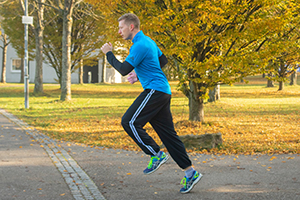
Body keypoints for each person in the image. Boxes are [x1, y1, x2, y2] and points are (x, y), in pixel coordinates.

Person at [101, 13, 202, 194]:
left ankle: (156, 154)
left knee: (129, 121)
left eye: (121, 27)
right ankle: (190, 172)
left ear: (131, 27)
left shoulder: (139, 45)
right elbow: (162, 61)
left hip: (155, 91)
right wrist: (140, 74)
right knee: (168, 136)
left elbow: (123, 70)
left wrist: (109, 53)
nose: (119, 31)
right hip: (163, 91)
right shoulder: (149, 42)